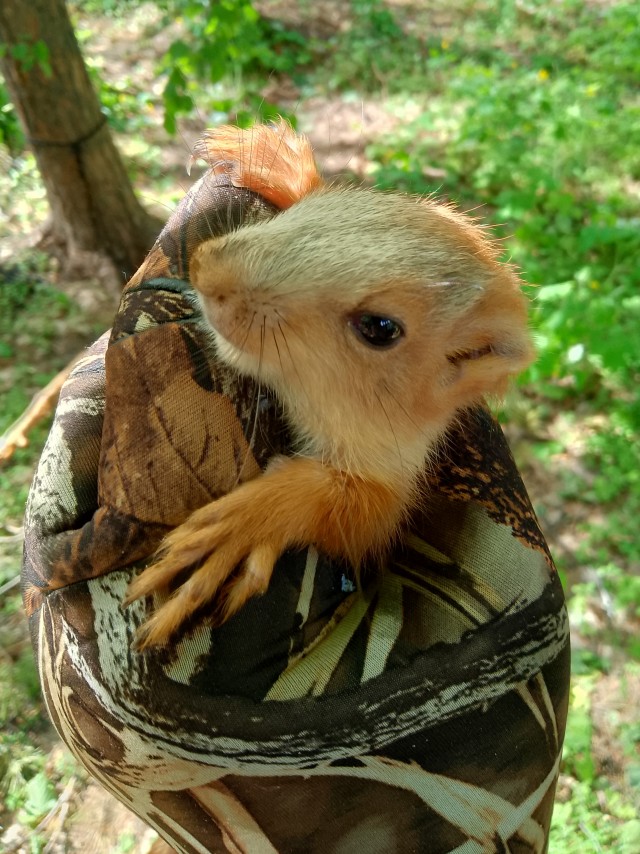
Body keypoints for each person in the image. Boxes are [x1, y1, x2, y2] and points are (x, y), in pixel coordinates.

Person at [22, 168, 569, 854]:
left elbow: (368, 495)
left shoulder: (401, 415)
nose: (215, 280)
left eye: (377, 328)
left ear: (466, 360)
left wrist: (285, 504)